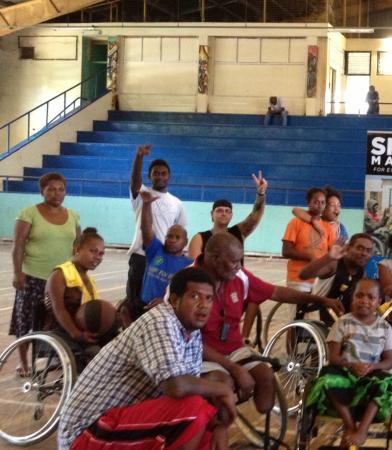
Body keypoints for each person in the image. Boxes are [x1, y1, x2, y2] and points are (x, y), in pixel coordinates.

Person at [57, 268, 237, 450]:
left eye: (209, 299)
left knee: (205, 431)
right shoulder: (160, 321)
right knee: (194, 410)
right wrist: (222, 389)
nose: (203, 305)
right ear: (175, 300)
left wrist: (218, 426)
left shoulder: (191, 332)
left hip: (116, 426)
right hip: (84, 434)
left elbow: (189, 388)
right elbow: (175, 386)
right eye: (195, 297)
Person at [196, 233, 343, 418]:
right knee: (222, 386)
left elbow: (277, 292)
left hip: (234, 350)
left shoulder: (240, 277)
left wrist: (321, 300)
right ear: (215, 259)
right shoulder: (188, 284)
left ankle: (234, 416)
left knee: (265, 378)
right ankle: (213, 428)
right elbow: (186, 340)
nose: (239, 266)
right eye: (234, 261)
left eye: (240, 260)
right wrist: (235, 369)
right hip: (201, 354)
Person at [303, 279, 392, 447]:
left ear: (379, 302)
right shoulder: (342, 323)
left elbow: (389, 361)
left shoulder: (385, 328)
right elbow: (334, 357)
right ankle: (350, 425)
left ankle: (363, 429)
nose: (364, 301)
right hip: (346, 372)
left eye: (370, 297)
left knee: (385, 381)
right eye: (359, 295)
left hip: (371, 375)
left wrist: (372, 367)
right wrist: (352, 366)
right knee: (327, 376)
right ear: (352, 298)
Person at [10, 172, 80, 376]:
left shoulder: (73, 216)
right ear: (42, 191)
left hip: (61, 280)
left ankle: (55, 359)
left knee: (57, 320)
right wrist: (17, 272)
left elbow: (78, 245)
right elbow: (18, 245)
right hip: (33, 277)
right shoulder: (28, 213)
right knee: (27, 321)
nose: (56, 193)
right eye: (51, 189)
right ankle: (23, 362)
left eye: (61, 189)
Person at [126, 144, 187, 317]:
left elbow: (180, 232)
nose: (159, 176)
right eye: (156, 173)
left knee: (159, 307)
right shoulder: (142, 193)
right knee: (135, 305)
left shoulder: (177, 203)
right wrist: (139, 157)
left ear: (169, 176)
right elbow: (134, 180)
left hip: (163, 261)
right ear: (149, 176)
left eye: (163, 173)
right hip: (141, 257)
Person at [43, 228, 113, 352]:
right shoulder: (60, 275)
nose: (97, 257)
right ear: (77, 249)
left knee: (118, 346)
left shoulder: (90, 281)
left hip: (83, 329)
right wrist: (76, 333)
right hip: (62, 332)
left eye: (101, 253)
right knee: (97, 354)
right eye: (93, 251)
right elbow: (58, 308)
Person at [129, 190, 193, 323]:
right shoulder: (156, 251)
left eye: (177, 237)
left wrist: (166, 302)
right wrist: (146, 205)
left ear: (185, 242)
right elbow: (146, 229)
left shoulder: (189, 265)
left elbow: (186, 294)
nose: (172, 239)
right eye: (169, 236)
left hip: (167, 313)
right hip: (144, 308)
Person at [291, 233, 374, 327]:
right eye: (360, 248)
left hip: (342, 320)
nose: (364, 253)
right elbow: (303, 275)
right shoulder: (334, 264)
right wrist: (329, 256)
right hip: (318, 317)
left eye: (368, 250)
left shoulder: (362, 273)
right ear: (348, 248)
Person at [188, 171, 268, 260]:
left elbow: (255, 216)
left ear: (231, 215)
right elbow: (195, 267)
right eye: (219, 210)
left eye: (227, 211)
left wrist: (261, 194)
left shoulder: (238, 233)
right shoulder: (199, 238)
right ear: (212, 214)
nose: (224, 213)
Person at [282, 187, 336, 292]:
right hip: (298, 278)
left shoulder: (328, 227)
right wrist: (310, 256)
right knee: (299, 308)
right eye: (316, 202)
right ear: (308, 202)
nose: (319, 205)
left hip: (319, 279)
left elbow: (332, 253)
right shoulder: (295, 222)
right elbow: (286, 251)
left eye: (322, 202)